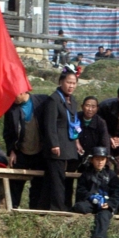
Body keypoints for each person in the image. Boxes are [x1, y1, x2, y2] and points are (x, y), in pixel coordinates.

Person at [72, 146, 119, 238]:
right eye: (97, 159)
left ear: (106, 160)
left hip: (105, 204)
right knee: (79, 207)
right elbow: (81, 189)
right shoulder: (86, 174)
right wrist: (91, 197)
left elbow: (117, 192)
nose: (100, 162)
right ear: (92, 160)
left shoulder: (112, 176)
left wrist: (109, 204)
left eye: (102, 159)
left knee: (104, 215)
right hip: (91, 203)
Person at [42, 65, 81, 211]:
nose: (71, 86)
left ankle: (64, 204)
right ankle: (57, 208)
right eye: (68, 82)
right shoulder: (53, 100)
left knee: (66, 179)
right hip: (57, 145)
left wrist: (76, 141)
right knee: (56, 179)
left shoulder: (73, 100)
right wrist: (54, 144)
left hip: (69, 143)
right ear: (61, 82)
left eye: (74, 83)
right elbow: (49, 124)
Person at [4, 90, 49, 209]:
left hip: (40, 152)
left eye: (15, 95)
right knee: (15, 184)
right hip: (20, 152)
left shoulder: (43, 101)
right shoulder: (11, 109)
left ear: (23, 91)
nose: (13, 98)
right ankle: (13, 209)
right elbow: (7, 132)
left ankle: (35, 211)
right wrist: (12, 150)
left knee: (38, 185)